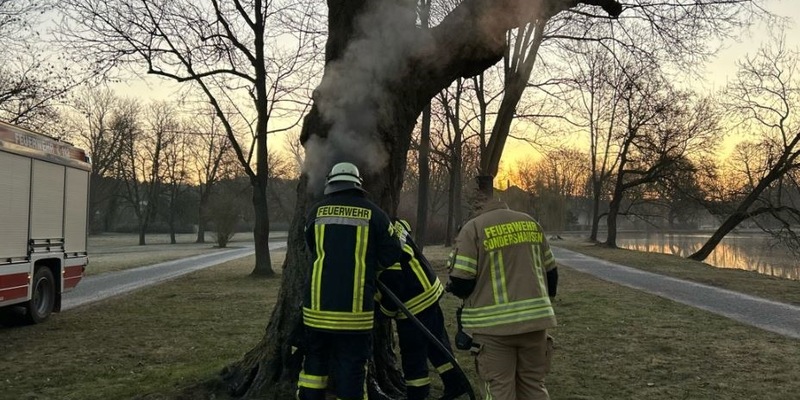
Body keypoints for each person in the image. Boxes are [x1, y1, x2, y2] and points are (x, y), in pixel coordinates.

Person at [297, 162, 403, 400]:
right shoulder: (375, 214)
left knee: (314, 364)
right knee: (352, 369)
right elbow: (393, 252)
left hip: (316, 309)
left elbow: (311, 245)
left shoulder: (316, 212)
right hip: (356, 314)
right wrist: (368, 260)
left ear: (331, 184)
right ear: (357, 185)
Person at [447, 196, 559, 400]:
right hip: (535, 324)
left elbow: (462, 280)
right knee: (534, 385)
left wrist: (455, 288)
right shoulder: (530, 223)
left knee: (499, 389)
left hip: (493, 329)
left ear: (477, 209)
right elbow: (551, 273)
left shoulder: (474, 228)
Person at [376, 219, 469, 400]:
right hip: (430, 290)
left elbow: (393, 282)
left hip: (413, 302)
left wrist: (384, 313)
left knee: (413, 353)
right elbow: (405, 224)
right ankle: (455, 383)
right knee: (436, 343)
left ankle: (417, 394)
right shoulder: (392, 225)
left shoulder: (382, 245)